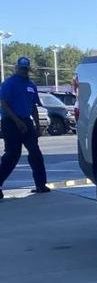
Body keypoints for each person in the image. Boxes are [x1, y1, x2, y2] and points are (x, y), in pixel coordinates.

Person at [0, 57, 49, 199]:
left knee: (35, 152)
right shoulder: (9, 83)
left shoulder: (31, 85)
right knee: (12, 154)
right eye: (21, 68)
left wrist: (38, 125)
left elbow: (34, 106)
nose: (24, 71)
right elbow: (3, 103)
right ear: (17, 68)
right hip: (10, 122)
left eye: (26, 68)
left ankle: (41, 185)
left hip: (26, 121)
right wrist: (16, 121)